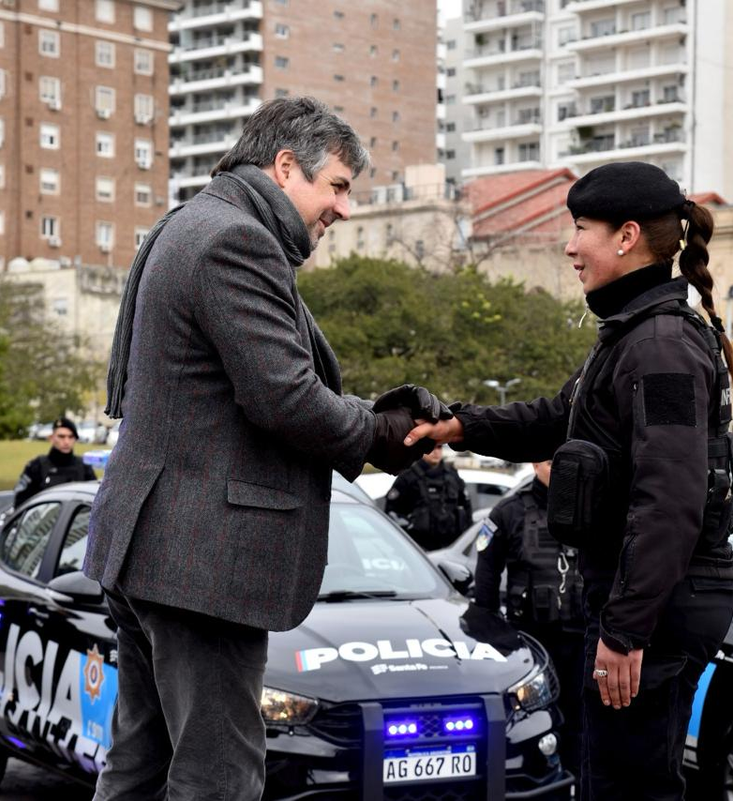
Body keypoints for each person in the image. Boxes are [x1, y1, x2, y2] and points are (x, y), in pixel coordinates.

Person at [83, 97, 444, 800]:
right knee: (219, 777)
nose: (344, 209)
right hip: (200, 564)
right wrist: (381, 432)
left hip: (153, 550)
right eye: (337, 186)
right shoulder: (236, 240)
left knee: (139, 767)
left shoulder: (187, 223)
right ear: (284, 166)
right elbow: (286, 397)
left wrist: (372, 417)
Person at [406, 161, 733, 800]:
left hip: (655, 607)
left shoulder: (660, 346)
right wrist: (458, 425)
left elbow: (670, 500)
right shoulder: (633, 336)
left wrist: (627, 629)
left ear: (627, 236)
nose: (570, 246)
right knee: (607, 777)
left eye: (582, 228)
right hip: (646, 602)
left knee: (626, 788)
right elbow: (556, 420)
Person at [473, 459, 585, 777]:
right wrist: (492, 632)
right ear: (536, 464)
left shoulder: (591, 508)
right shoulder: (509, 512)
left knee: (581, 725)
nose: (560, 470)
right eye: (551, 462)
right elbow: (486, 576)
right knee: (532, 723)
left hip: (581, 640)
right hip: (530, 645)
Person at [385, 443, 472, 550]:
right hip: (418, 548)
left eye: (439, 447)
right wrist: (409, 527)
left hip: (451, 546)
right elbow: (391, 512)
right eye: (432, 447)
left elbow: (466, 506)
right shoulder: (408, 477)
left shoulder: (452, 476)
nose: (436, 452)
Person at [13, 417, 98, 506]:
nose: (66, 441)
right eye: (61, 436)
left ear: (75, 439)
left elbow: (95, 499)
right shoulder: (36, 466)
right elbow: (20, 501)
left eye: (71, 437)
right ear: (52, 438)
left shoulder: (84, 466)